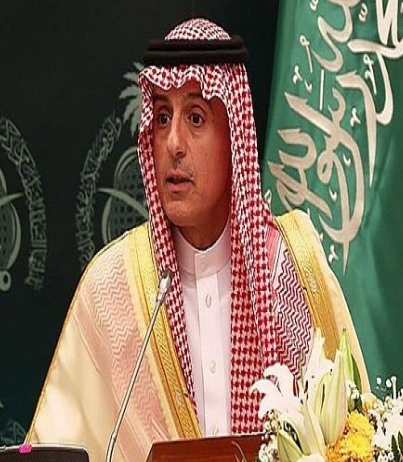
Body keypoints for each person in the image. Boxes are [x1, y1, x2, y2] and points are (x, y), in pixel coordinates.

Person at [26, 17, 368, 462]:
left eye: (195, 118)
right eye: (161, 118)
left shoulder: (290, 270)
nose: (173, 143)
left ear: (235, 137)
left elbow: (357, 440)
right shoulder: (113, 287)